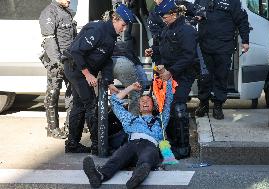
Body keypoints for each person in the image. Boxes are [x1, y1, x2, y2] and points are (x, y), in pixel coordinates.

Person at [63, 4, 135, 154]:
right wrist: (87, 74)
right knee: (92, 106)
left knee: (79, 105)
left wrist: (109, 83)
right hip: (76, 68)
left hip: (82, 70)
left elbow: (106, 60)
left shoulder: (111, 35)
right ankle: (98, 146)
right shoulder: (99, 29)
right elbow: (76, 51)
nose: (124, 29)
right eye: (123, 25)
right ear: (115, 19)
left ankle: (72, 144)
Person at [83, 81, 173, 189]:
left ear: (153, 106)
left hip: (150, 145)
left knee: (147, 156)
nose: (145, 102)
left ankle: (136, 177)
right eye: (142, 101)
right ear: (139, 107)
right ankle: (99, 176)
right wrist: (131, 87)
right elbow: (114, 101)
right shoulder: (130, 119)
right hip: (131, 144)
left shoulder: (160, 120)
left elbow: (168, 102)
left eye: (148, 100)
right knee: (117, 157)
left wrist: (166, 80)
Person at [145, 0, 198, 159]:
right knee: (165, 108)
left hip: (183, 74)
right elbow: (163, 46)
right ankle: (173, 144)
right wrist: (152, 50)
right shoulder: (168, 28)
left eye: (165, 16)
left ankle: (183, 147)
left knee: (177, 106)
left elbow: (189, 56)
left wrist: (171, 71)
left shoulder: (187, 30)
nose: (163, 19)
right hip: (168, 73)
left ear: (174, 14)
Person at [194, 0, 250, 119]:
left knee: (221, 76)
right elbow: (192, 13)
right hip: (204, 45)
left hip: (224, 46)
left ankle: (218, 106)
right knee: (204, 77)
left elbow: (242, 20)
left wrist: (245, 40)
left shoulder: (233, 2)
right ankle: (203, 103)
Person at [39, 0, 77, 139]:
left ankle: (70, 125)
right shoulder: (49, 12)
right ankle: (52, 128)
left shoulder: (66, 12)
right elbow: (49, 40)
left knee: (72, 92)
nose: (69, 0)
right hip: (57, 62)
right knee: (53, 93)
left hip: (70, 59)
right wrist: (57, 61)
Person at [112, 41, 148, 115]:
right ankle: (133, 119)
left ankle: (101, 120)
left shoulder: (107, 43)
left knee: (99, 96)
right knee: (135, 92)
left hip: (110, 63)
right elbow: (142, 79)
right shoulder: (128, 48)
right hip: (126, 62)